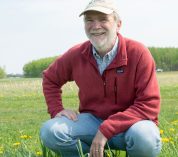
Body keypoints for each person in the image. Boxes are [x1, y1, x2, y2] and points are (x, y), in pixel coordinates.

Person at [40, 0, 162, 157]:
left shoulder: (138, 53)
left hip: (132, 125)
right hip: (92, 123)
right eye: (89, 20)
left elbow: (148, 105)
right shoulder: (77, 54)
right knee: (50, 131)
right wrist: (56, 109)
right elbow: (50, 78)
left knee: (146, 137)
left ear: (118, 24)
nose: (95, 26)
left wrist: (106, 130)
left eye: (103, 19)